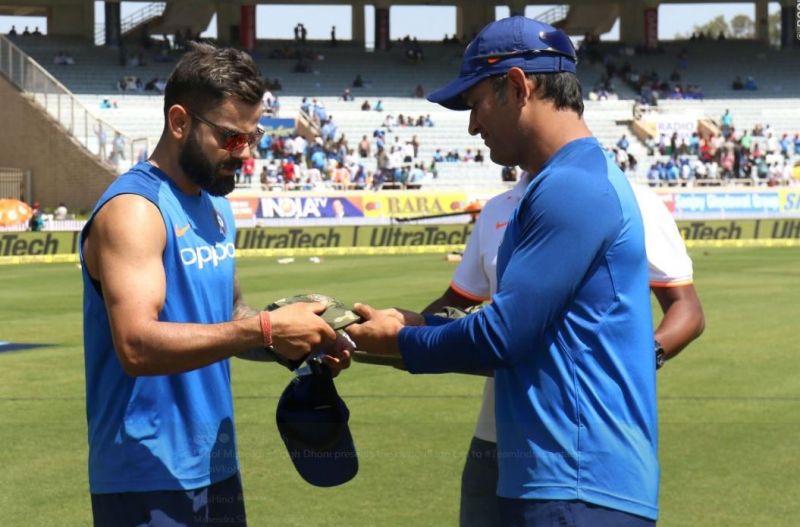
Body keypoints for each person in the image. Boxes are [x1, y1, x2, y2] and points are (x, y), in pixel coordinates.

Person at [347, 16, 659, 526]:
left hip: (576, 486)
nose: (472, 125)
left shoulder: (571, 188)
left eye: (475, 104)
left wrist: (398, 341)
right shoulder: (563, 181)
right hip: (566, 481)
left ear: (517, 87)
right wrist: (414, 326)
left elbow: (504, 337)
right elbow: (529, 336)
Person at [79, 42, 350, 526]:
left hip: (216, 467)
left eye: (253, 135)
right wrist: (265, 330)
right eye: (229, 138)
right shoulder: (134, 210)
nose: (243, 152)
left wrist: (298, 339)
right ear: (180, 122)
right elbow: (137, 346)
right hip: (145, 476)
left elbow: (231, 319)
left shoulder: (216, 205)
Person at [421, 170, 704, 526]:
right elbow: (457, 301)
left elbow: (687, 309)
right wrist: (376, 333)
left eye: (479, 111)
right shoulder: (497, 210)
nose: (474, 126)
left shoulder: (635, 200)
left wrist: (644, 357)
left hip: (591, 438)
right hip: (496, 439)